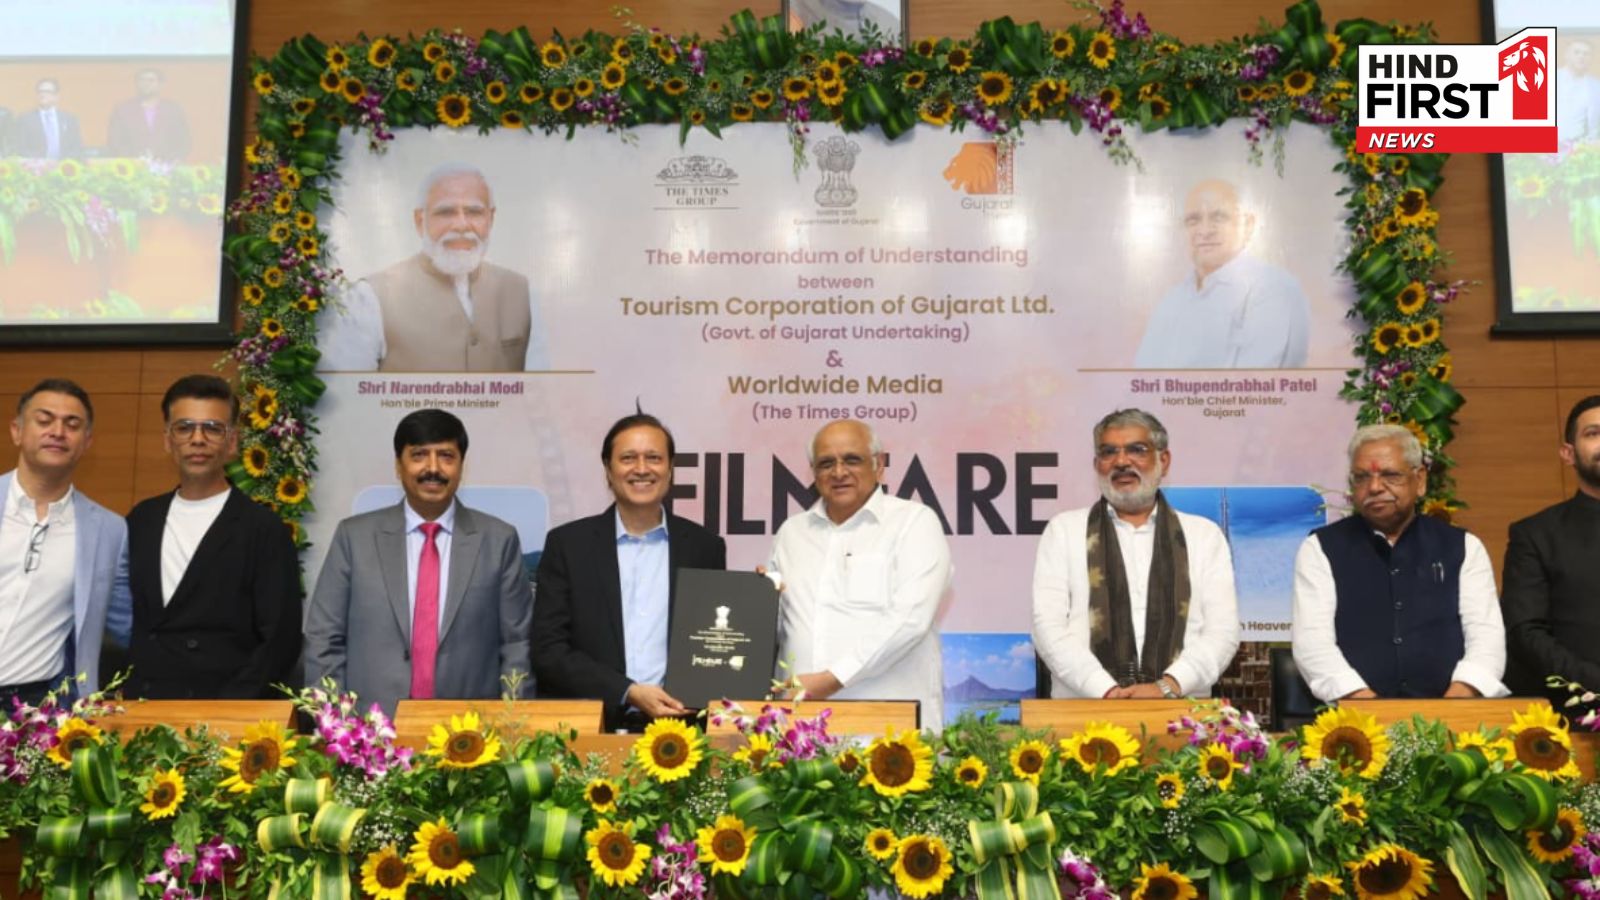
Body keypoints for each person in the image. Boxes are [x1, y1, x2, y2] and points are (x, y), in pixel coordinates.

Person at [304, 408, 533, 714]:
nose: (433, 468)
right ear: (399, 465)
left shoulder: (498, 540)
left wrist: (512, 724)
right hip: (369, 729)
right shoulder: (354, 538)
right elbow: (324, 638)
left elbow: (518, 645)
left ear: (461, 465)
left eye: (446, 456)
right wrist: (336, 723)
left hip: (470, 731)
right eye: (419, 455)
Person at [532, 413, 726, 729]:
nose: (642, 468)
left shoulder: (705, 547)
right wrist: (627, 691)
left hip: (682, 731)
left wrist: (760, 599)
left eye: (654, 458)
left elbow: (718, 642)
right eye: (628, 458)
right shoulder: (568, 545)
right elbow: (548, 650)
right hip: (592, 728)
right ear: (608, 470)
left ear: (671, 469)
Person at [1032, 409, 1240, 699]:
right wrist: (1105, 689)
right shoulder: (1064, 531)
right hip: (1085, 708)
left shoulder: (1204, 536)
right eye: (1108, 452)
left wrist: (1167, 686)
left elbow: (1222, 632)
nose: (1121, 462)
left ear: (1163, 461)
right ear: (1097, 464)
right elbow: (1048, 627)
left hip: (1181, 710)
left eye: (1136, 450)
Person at [1292, 424, 1507, 702]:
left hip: (1453, 715)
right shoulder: (1320, 549)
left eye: (1390, 475)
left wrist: (1451, 707)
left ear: (1420, 480)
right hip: (1355, 719)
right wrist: (1371, 710)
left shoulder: (1463, 547)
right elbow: (1313, 645)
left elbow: (1487, 639)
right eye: (1362, 477)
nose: (1374, 487)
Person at [124, 376, 301, 699]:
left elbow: (280, 640)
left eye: (212, 428)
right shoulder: (141, 519)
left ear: (232, 442)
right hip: (145, 705)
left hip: (226, 710)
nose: (198, 439)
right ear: (167, 440)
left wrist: (228, 711)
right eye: (184, 428)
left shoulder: (264, 528)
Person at [767, 420, 951, 725]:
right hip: (801, 729)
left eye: (852, 460)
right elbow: (777, 624)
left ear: (878, 466)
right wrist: (757, 602)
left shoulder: (914, 522)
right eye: (826, 463)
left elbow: (910, 619)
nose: (839, 472)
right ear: (813, 472)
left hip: (889, 727)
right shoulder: (791, 533)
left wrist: (832, 678)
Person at [318, 162, 548, 372]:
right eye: (445, 212)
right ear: (420, 221)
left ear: (491, 218)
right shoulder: (369, 297)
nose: (461, 225)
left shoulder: (522, 292)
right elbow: (350, 397)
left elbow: (539, 391)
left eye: (474, 212)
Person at [0, 379, 129, 704]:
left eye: (72, 425)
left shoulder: (109, 531)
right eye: (44, 420)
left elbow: (129, 625)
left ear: (86, 442)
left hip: (34, 708)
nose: (57, 432)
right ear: (17, 431)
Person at [1133, 178, 1311, 369]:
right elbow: (1141, 377)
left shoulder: (1273, 289)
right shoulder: (1173, 299)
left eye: (1218, 218)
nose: (1204, 231)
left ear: (1248, 224)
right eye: (1193, 220)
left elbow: (1255, 383)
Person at [1502, 395, 1600, 699]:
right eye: (1593, 433)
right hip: (1577, 711)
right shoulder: (1535, 535)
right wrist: (1594, 685)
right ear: (1568, 454)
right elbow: (1526, 632)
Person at [105, 68, 191, 161]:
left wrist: (171, 161)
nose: (146, 84)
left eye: (151, 80)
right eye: (142, 80)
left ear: (161, 85)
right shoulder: (123, 110)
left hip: (167, 164)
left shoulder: (173, 110)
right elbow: (115, 140)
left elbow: (183, 140)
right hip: (133, 164)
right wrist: (131, 160)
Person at [10, 78, 84, 160]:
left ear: (56, 96)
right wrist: (39, 162)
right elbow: (20, 148)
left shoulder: (69, 119)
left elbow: (76, 147)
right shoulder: (25, 119)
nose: (42, 94)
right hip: (35, 165)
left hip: (63, 165)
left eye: (47, 91)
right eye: (40, 91)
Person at [1557, 39, 1599, 147]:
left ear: (1591, 59)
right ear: (1566, 55)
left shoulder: (1596, 86)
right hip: (1544, 148)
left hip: (1578, 149)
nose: (1581, 56)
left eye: (1586, 54)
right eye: (1576, 52)